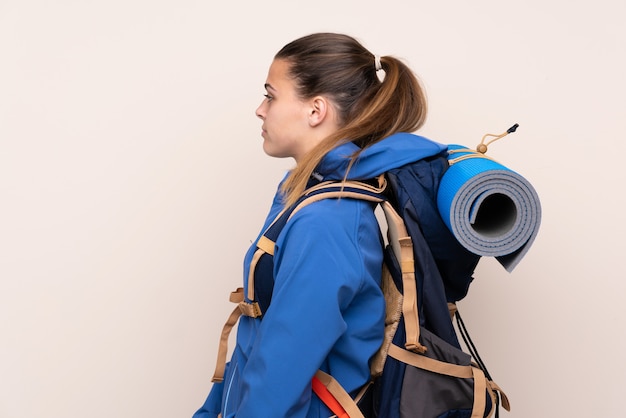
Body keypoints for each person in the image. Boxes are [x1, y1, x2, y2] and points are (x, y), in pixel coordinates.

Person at [193, 32, 447, 418]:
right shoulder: (308, 193)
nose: (260, 109)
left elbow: (280, 373)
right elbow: (260, 343)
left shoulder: (327, 219)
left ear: (316, 110)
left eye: (271, 95)